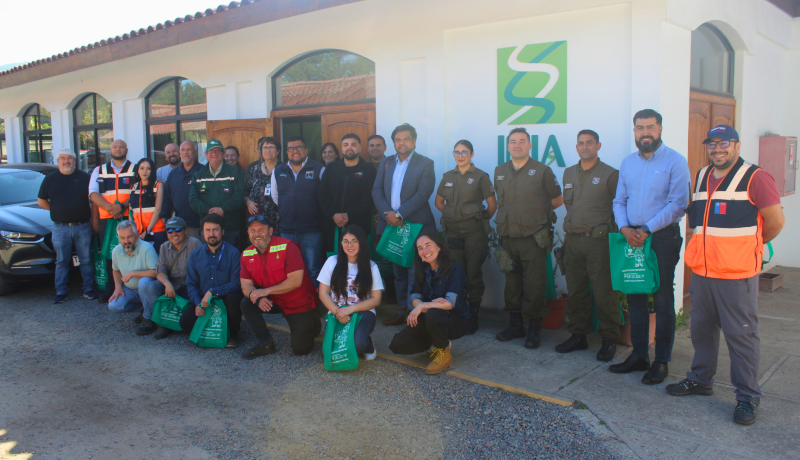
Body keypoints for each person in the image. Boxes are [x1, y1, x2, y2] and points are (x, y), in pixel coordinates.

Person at [667, 125, 785, 426]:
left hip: (736, 274)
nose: (717, 149)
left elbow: (775, 222)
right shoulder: (702, 175)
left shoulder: (756, 177)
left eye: (724, 143)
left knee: (741, 336)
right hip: (703, 271)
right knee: (702, 329)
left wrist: (748, 249)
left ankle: (747, 397)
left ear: (737, 145)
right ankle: (701, 379)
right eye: (712, 144)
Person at [609, 109, 690, 384]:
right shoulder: (628, 163)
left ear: (660, 129)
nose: (645, 132)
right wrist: (624, 228)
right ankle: (639, 355)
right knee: (635, 297)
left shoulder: (675, 161)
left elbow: (678, 204)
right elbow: (619, 201)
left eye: (650, 127)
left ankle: (661, 361)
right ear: (634, 130)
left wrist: (646, 229)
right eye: (640, 127)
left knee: (663, 298)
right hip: (632, 236)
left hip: (662, 237)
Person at [493, 127, 563, 349]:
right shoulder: (500, 171)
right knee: (512, 285)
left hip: (533, 238)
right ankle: (516, 326)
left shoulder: (542, 171)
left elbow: (558, 200)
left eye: (522, 141)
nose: (517, 145)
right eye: (513, 141)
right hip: (508, 236)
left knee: (534, 285)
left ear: (530, 145)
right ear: (508, 146)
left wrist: (536, 216)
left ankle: (533, 330)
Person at [556, 130, 620, 361]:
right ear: (576, 147)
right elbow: (570, 204)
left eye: (589, 143)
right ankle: (578, 335)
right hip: (573, 240)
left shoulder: (610, 174)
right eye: (581, 143)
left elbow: (620, 206)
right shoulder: (568, 173)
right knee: (576, 290)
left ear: (598, 146)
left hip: (598, 242)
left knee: (604, 292)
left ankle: (609, 339)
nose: (585, 147)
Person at [372, 123, 436, 326]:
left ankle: (413, 314)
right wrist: (389, 215)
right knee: (398, 272)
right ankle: (401, 312)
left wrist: (399, 214)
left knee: (415, 272)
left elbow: (423, 194)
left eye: (406, 139)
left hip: (415, 227)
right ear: (393, 143)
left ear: (414, 141)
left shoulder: (425, 163)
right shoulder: (386, 162)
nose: (402, 143)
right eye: (398, 140)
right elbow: (376, 190)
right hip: (392, 226)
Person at [434, 140, 496, 334]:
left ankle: (473, 315)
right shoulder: (447, 176)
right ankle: (460, 312)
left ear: (472, 154)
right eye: (457, 152)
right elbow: (439, 202)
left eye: (464, 152)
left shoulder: (481, 176)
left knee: (473, 272)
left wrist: (477, 220)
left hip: (474, 231)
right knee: (456, 272)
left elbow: (492, 205)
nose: (460, 156)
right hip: (453, 231)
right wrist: (453, 216)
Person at [239, 215, 321, 358]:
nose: (257, 234)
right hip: (273, 300)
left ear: (270, 231)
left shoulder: (288, 247)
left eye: (261, 229)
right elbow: (245, 285)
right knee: (247, 303)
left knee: (301, 349)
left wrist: (264, 292)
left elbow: (295, 281)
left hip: (296, 302)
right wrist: (256, 296)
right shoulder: (246, 253)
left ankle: (313, 318)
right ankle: (266, 344)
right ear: (248, 233)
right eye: (252, 231)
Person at [389, 233, 470, 374]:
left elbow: (450, 303)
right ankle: (435, 342)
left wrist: (423, 306)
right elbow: (414, 296)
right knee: (397, 345)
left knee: (434, 314)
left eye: (428, 245)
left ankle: (443, 352)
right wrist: (426, 306)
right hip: (430, 317)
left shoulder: (455, 267)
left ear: (439, 247)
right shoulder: (421, 268)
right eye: (420, 248)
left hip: (455, 320)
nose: (424, 251)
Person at [37, 148, 95, 303]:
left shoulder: (84, 178)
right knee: (61, 261)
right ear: (57, 161)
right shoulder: (50, 179)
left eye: (69, 158)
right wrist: (57, 210)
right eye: (62, 158)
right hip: (60, 227)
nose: (66, 161)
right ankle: (61, 292)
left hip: (83, 226)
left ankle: (89, 289)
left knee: (86, 259)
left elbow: (93, 199)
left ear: (74, 160)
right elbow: (41, 201)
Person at [318, 225, 383, 361]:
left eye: (354, 241)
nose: (349, 245)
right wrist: (337, 312)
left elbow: (376, 299)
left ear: (361, 242)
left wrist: (349, 309)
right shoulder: (331, 262)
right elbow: (323, 293)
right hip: (337, 311)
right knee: (332, 352)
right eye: (345, 241)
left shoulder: (371, 266)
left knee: (358, 344)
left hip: (362, 311)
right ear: (341, 243)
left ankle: (367, 344)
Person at [179, 213, 244, 348]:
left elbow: (237, 283)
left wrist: (213, 292)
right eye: (207, 230)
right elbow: (191, 284)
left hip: (226, 300)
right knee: (185, 323)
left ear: (222, 231)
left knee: (234, 298)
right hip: (205, 301)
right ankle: (212, 327)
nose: (212, 234)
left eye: (215, 230)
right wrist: (198, 303)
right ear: (202, 232)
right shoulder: (195, 255)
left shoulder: (233, 253)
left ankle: (233, 334)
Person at [270, 136, 325, 283]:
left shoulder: (319, 169)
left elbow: (325, 196)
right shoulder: (278, 171)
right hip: (287, 230)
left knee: (312, 268)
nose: (295, 151)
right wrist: (288, 208)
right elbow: (276, 197)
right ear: (287, 152)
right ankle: (294, 297)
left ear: (306, 150)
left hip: (311, 230)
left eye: (299, 148)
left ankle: (313, 297)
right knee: (289, 269)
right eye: (291, 149)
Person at [139, 216, 203, 339]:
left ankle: (177, 320)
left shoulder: (194, 243)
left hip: (192, 287)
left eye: (178, 230)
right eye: (169, 230)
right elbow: (160, 271)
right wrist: (167, 283)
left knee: (188, 320)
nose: (174, 233)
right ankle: (161, 323)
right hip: (174, 286)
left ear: (185, 231)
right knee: (151, 286)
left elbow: (203, 270)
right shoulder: (164, 247)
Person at [89, 139, 134, 303]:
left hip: (128, 218)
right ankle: (111, 289)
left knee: (130, 251)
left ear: (126, 150)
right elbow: (93, 194)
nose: (118, 149)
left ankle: (130, 288)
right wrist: (111, 209)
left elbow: (137, 192)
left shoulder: (135, 169)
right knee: (110, 255)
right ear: (110, 150)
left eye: (121, 147)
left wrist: (120, 207)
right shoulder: (99, 170)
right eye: (115, 146)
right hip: (107, 219)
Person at [319, 133, 377, 255]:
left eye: (353, 144)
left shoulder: (369, 170)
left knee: (357, 258)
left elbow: (369, 197)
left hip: (359, 224)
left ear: (360, 148)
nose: (349, 147)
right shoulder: (332, 168)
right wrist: (333, 214)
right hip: (333, 225)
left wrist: (348, 215)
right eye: (345, 145)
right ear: (342, 148)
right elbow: (322, 193)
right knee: (334, 260)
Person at [189, 139, 246, 247]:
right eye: (211, 151)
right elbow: (193, 200)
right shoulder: (198, 175)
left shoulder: (234, 173)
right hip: (208, 229)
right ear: (206, 154)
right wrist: (208, 211)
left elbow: (238, 196)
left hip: (230, 227)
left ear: (223, 153)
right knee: (209, 256)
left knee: (230, 256)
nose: (214, 153)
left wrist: (222, 209)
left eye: (218, 151)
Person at [107, 220, 160, 335]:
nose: (126, 241)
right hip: (131, 290)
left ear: (137, 235)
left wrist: (133, 273)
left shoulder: (147, 248)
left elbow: (156, 273)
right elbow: (116, 270)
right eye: (122, 238)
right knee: (113, 305)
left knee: (144, 282)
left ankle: (148, 319)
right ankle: (146, 309)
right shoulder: (116, 251)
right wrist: (118, 287)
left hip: (149, 289)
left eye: (129, 237)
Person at [161, 140, 204, 241]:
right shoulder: (174, 174)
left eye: (189, 149)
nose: (186, 152)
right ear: (180, 153)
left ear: (196, 152)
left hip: (197, 226)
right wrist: (164, 216)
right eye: (183, 150)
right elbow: (167, 197)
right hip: (177, 226)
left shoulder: (204, 172)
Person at [244, 136, 281, 235]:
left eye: (271, 147)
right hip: (257, 218)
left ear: (278, 151)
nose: (268, 150)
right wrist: (248, 202)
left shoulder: (284, 170)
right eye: (265, 148)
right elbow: (244, 192)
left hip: (278, 218)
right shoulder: (253, 170)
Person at [129, 158, 167, 254]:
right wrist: (133, 230)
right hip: (138, 232)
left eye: (148, 169)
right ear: (137, 170)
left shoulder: (158, 185)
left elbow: (158, 210)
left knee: (157, 259)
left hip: (156, 230)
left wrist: (147, 230)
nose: (144, 171)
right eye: (141, 168)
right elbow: (131, 211)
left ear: (152, 170)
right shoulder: (133, 187)